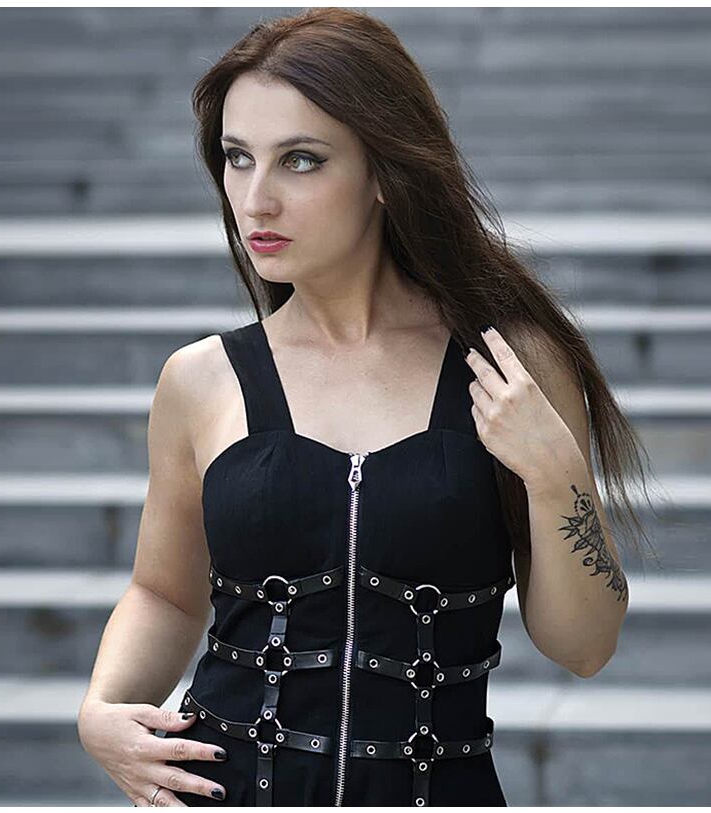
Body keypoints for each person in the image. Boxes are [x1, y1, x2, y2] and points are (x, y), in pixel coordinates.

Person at [77, 8, 658, 807]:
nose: (256, 200)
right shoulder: (201, 380)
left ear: (385, 171)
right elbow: (165, 593)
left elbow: (585, 646)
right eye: (238, 158)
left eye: (301, 160)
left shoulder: (507, 362)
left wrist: (557, 474)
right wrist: (101, 708)